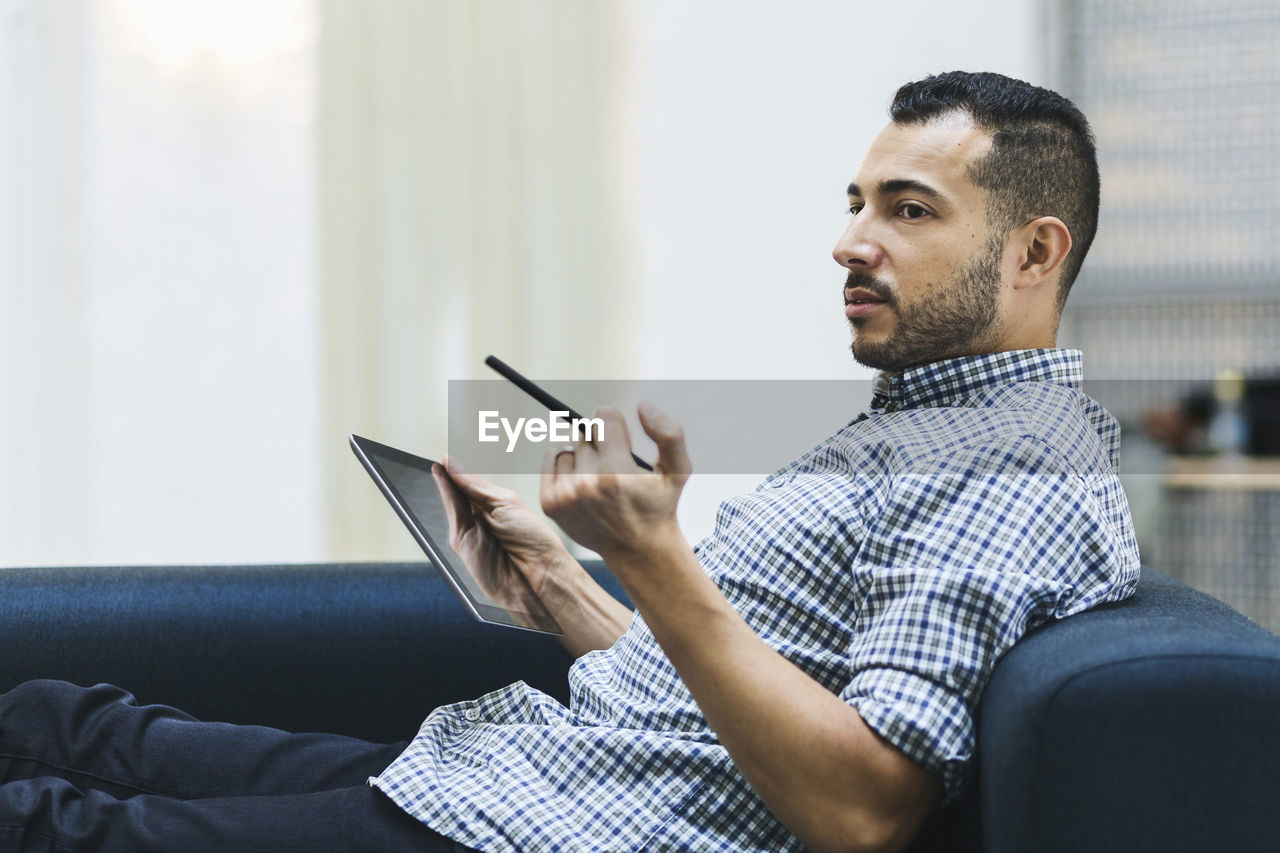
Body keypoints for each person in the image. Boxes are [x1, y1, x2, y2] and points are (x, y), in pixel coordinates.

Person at [0, 70, 1138, 853]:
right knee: (61, 719)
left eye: (907, 209)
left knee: (48, 820)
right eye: (854, 203)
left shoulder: (1017, 469)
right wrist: (567, 591)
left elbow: (859, 809)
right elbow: (733, 707)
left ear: (1033, 249)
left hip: (572, 825)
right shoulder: (929, 427)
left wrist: (653, 561)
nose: (849, 239)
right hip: (528, 776)